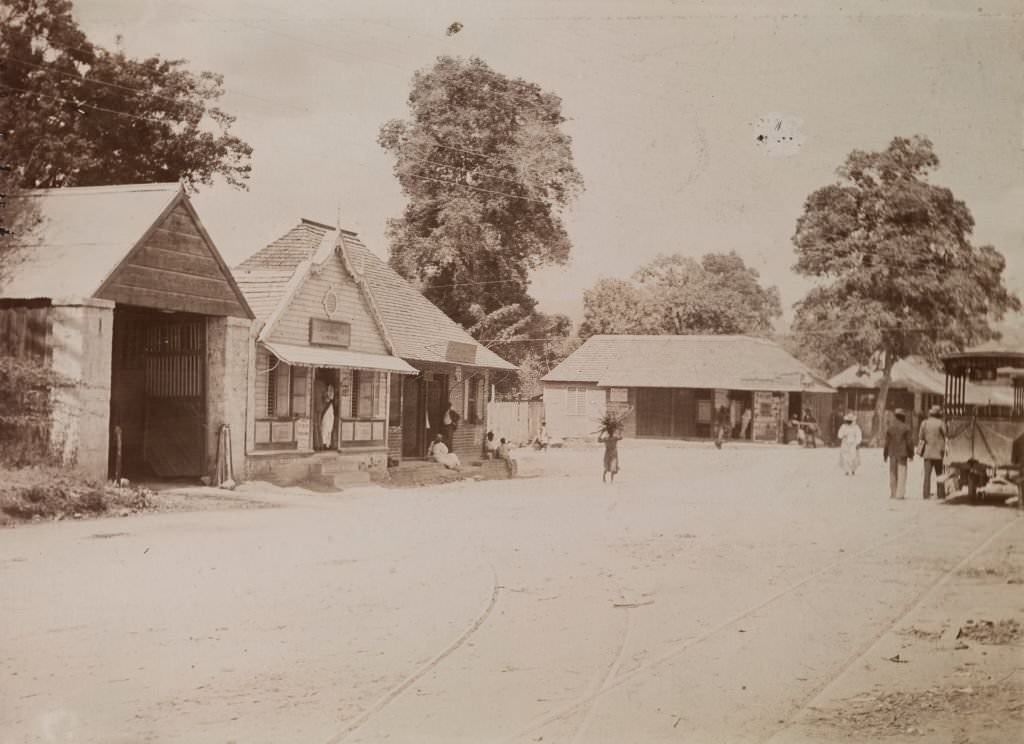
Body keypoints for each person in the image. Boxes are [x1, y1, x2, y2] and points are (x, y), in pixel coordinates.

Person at [883, 408, 915, 499]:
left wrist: (885, 455)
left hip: (892, 453)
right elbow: (909, 443)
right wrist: (911, 454)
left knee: (892, 473)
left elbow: (887, 443)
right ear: (903, 417)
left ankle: (893, 493)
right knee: (902, 473)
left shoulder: (890, 427)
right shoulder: (906, 427)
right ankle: (900, 494)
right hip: (902, 453)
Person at [918, 404, 947, 500]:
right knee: (940, 474)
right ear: (939, 414)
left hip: (927, 452)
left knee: (927, 475)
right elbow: (946, 433)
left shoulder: (924, 423)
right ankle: (941, 494)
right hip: (939, 453)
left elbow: (920, 437)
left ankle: (926, 495)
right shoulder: (940, 423)